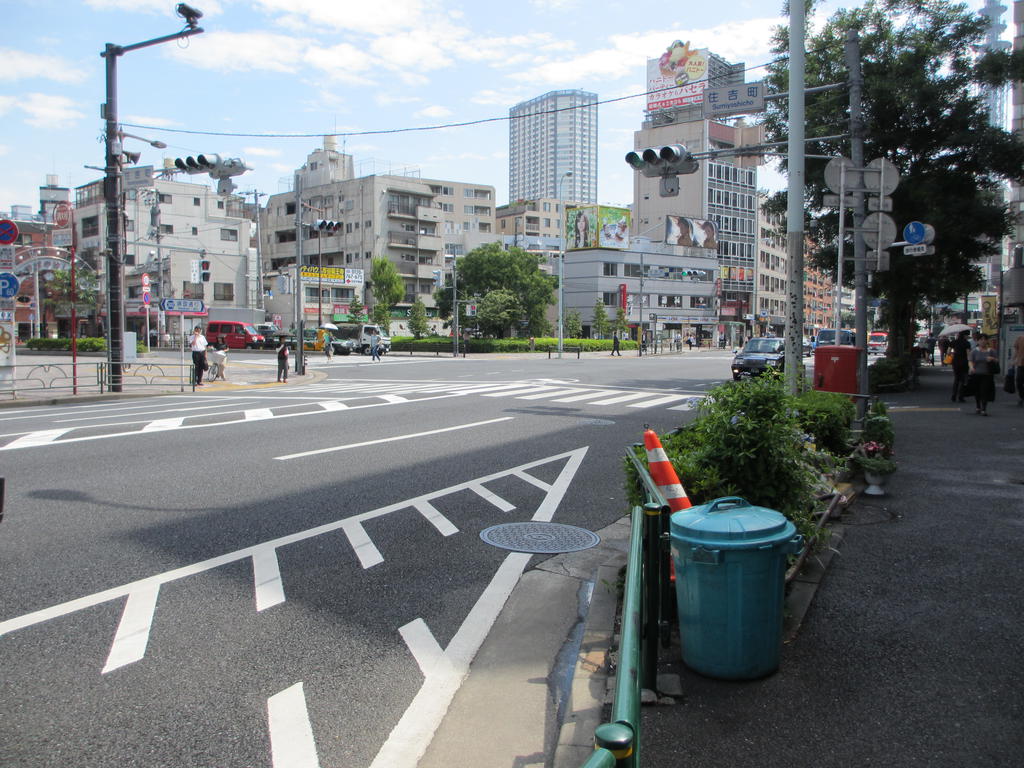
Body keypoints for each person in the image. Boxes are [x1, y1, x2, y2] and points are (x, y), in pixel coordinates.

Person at [968, 334, 998, 415]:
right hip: (976, 374)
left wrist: (992, 359)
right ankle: (978, 406)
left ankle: (984, 409)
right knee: (977, 391)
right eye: (981, 339)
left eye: (985, 339)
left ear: (987, 341)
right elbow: (970, 360)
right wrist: (971, 367)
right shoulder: (974, 351)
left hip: (987, 374)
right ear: (977, 341)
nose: (983, 341)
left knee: (984, 391)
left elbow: (996, 361)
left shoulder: (991, 351)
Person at [950, 329, 971, 402]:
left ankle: (953, 395)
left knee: (956, 379)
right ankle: (961, 396)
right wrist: (970, 362)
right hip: (964, 362)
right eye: (967, 335)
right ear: (964, 335)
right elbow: (968, 354)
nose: (967, 337)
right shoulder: (967, 343)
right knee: (962, 380)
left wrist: (953, 354)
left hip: (955, 362)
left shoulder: (954, 342)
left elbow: (949, 351)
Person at [1013, 333, 1024, 407]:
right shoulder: (1020, 338)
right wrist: (1014, 359)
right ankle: (1022, 396)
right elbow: (1016, 350)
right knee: (1019, 381)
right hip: (1021, 363)